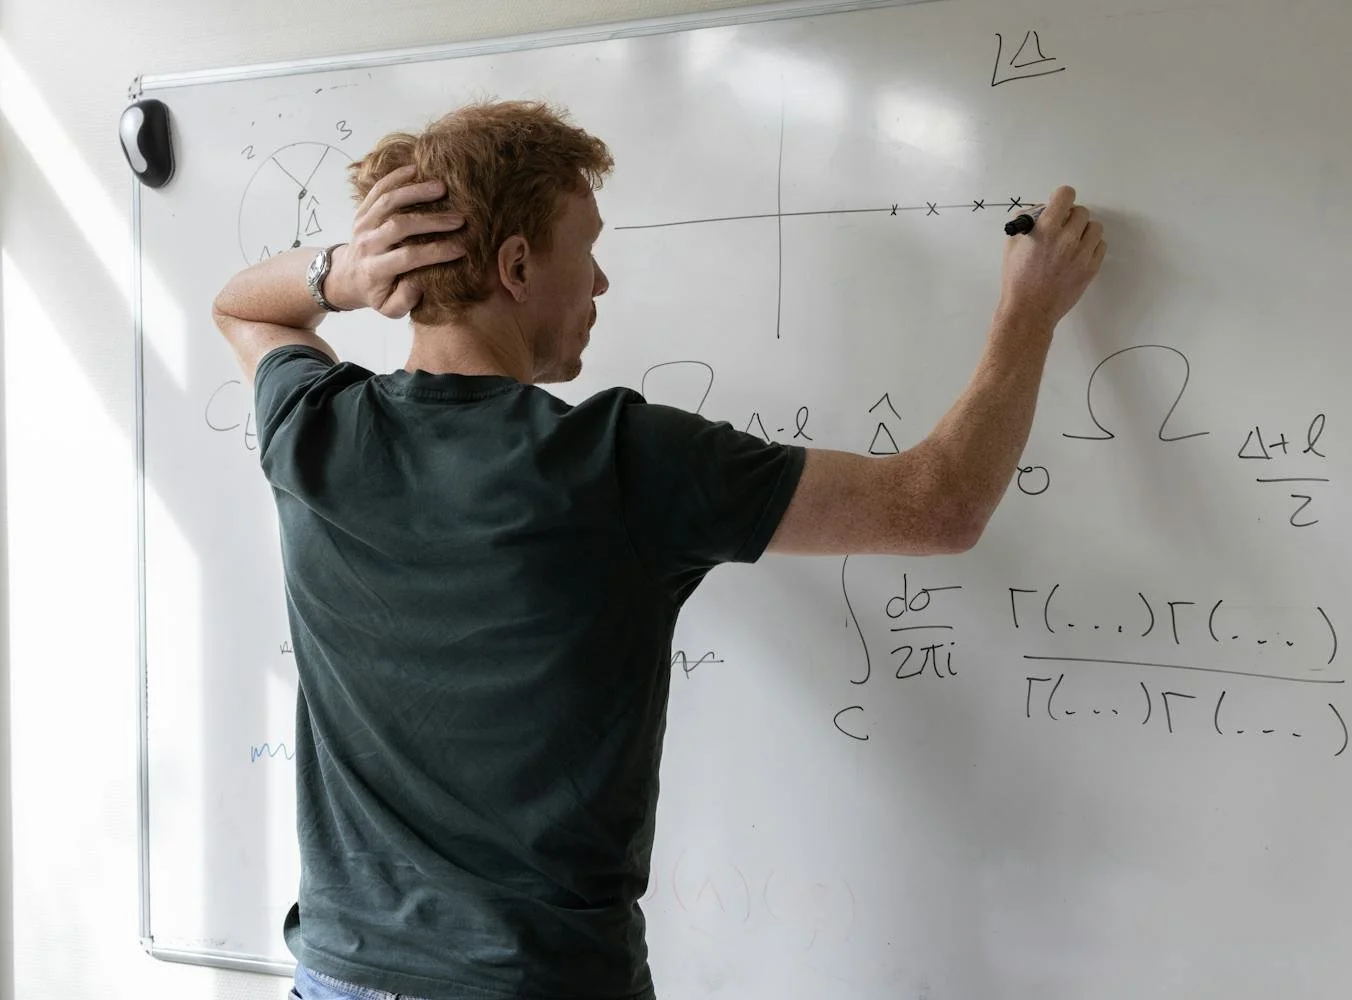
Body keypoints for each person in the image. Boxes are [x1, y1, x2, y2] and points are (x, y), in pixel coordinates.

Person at [212, 100, 1105, 1000]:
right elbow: (938, 505)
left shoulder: (316, 430)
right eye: (587, 250)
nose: (600, 283)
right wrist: (1029, 311)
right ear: (517, 266)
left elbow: (242, 309)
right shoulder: (620, 462)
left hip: (340, 975)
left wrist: (343, 275)